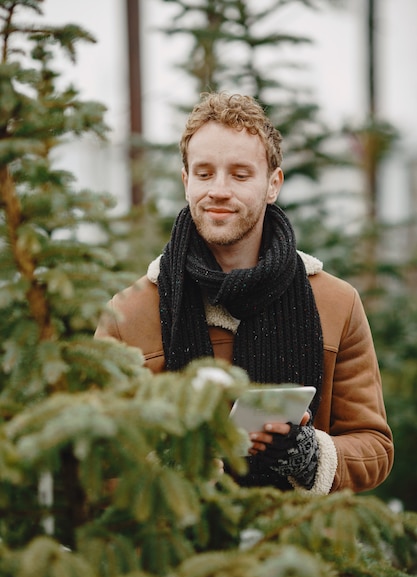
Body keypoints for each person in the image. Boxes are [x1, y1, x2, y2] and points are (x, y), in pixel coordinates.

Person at [95, 92, 393, 495]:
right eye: (204, 173)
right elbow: (96, 457)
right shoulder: (129, 313)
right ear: (186, 182)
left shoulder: (336, 304)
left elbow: (374, 445)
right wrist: (176, 461)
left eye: (239, 174)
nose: (218, 190)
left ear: (273, 184)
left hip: (295, 549)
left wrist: (308, 454)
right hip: (179, 552)